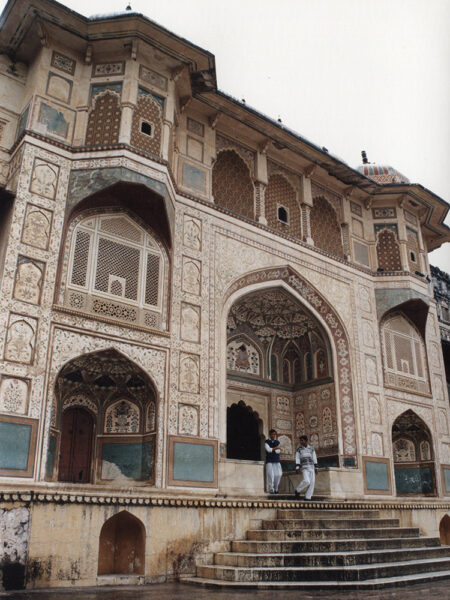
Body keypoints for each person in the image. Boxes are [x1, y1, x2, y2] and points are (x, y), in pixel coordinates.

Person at [295, 435, 318, 500]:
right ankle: (297, 490)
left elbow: (314, 458)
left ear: (306, 441)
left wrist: (316, 468)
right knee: (307, 481)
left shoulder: (311, 448)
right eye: (300, 440)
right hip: (304, 467)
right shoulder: (299, 449)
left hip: (311, 467)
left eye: (302, 440)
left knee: (312, 483)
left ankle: (308, 497)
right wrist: (297, 467)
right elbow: (297, 458)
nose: (301, 442)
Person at [265, 429, 282, 494]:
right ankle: (271, 489)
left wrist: (272, 449)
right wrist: (275, 448)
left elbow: (278, 451)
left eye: (274, 434)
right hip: (269, 460)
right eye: (272, 434)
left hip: (276, 460)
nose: (273, 435)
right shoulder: (266, 442)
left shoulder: (277, 442)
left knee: (278, 474)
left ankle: (276, 488)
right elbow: (268, 450)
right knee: (270, 475)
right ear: (269, 435)